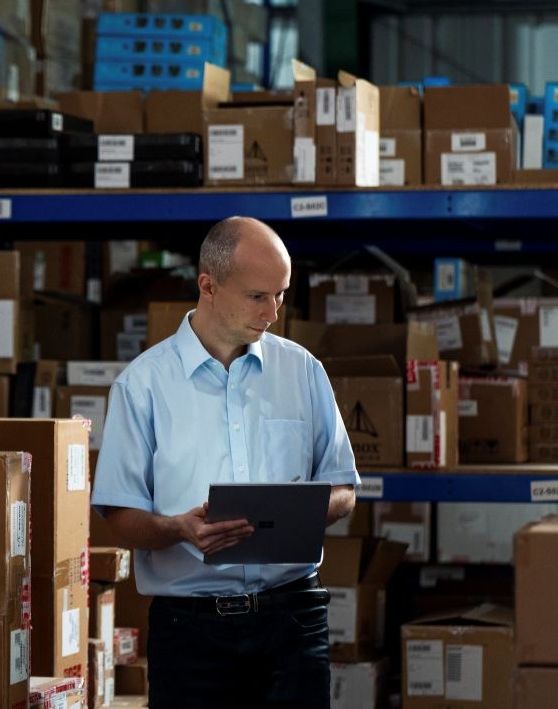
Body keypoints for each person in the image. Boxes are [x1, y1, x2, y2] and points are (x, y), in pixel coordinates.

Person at [91, 216, 359, 708]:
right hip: (190, 634)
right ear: (208, 286)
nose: (273, 312)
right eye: (258, 296)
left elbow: (344, 488)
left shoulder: (302, 371)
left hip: (293, 619)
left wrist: (298, 513)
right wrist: (179, 529)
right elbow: (119, 516)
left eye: (281, 295)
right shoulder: (142, 386)